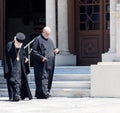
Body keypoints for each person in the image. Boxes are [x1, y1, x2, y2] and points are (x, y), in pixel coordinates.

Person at [32, 26, 59, 99]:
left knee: (49, 78)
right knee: (43, 78)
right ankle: (44, 93)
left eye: (49, 34)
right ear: (43, 32)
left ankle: (46, 92)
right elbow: (34, 51)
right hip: (41, 64)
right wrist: (41, 58)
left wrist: (56, 50)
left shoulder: (50, 40)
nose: (48, 35)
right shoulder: (38, 39)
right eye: (47, 34)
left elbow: (53, 49)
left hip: (50, 63)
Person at [4, 32, 32, 101]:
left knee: (20, 80)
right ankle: (15, 95)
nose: (19, 44)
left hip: (20, 65)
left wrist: (25, 58)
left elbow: (23, 53)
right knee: (13, 80)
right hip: (12, 65)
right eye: (18, 43)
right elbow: (8, 57)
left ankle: (20, 95)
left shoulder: (21, 45)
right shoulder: (10, 45)